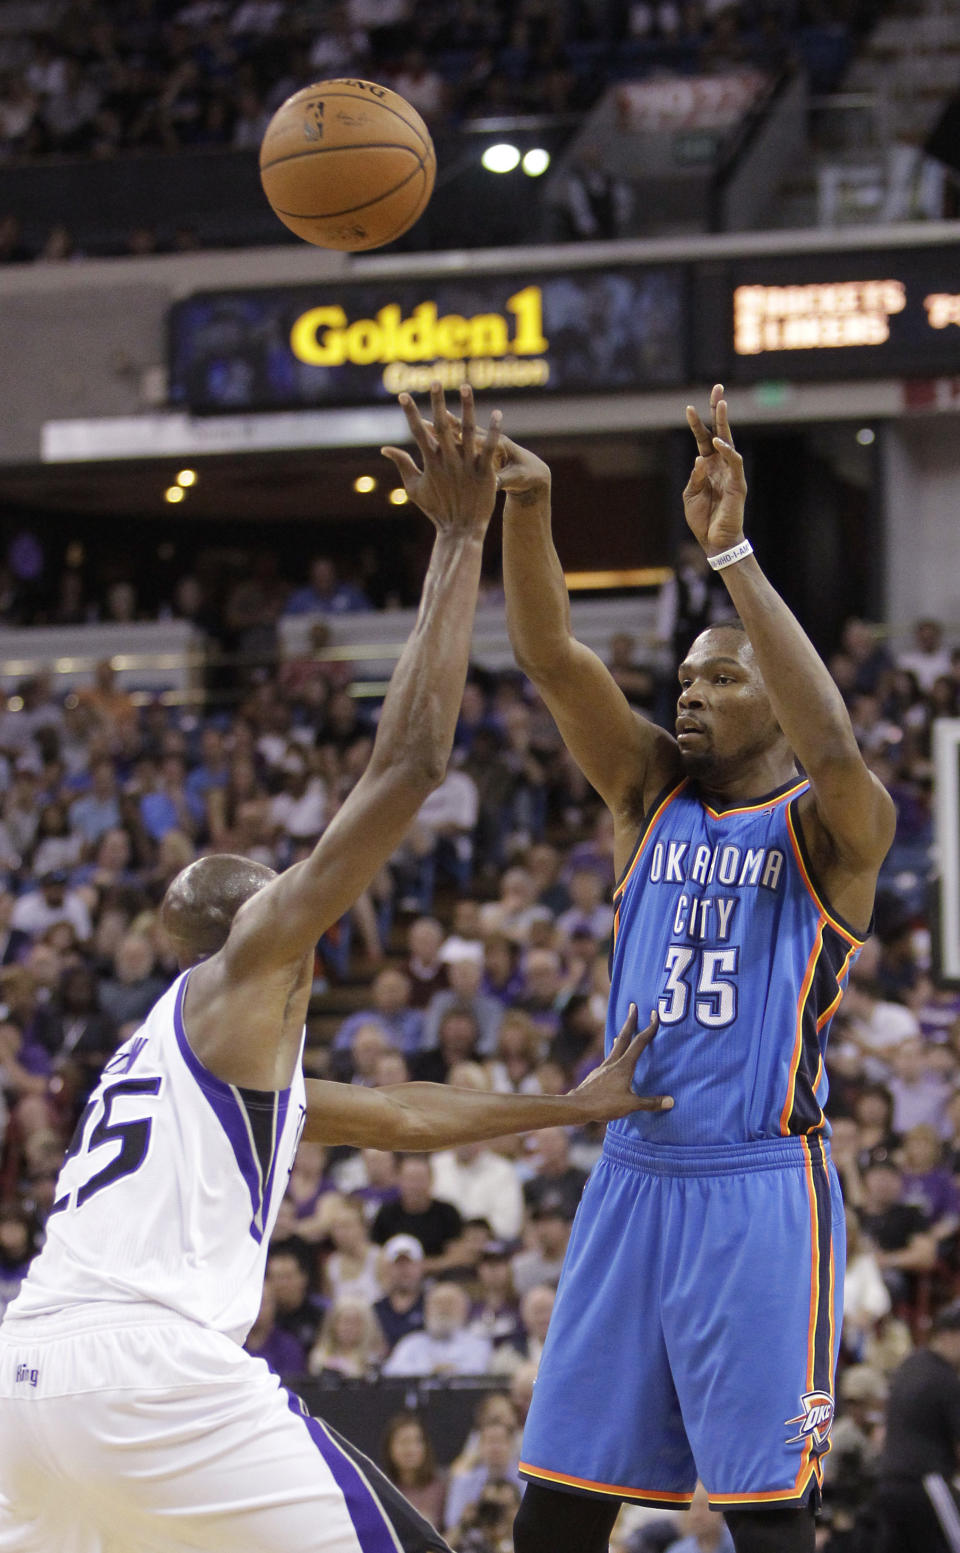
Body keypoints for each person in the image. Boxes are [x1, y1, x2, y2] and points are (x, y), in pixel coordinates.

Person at [0, 385, 670, 1553]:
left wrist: (572, 1103)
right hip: (148, 1369)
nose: (298, 902)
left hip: (26, 1370)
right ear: (253, 920)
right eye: (276, 885)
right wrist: (458, 538)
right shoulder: (251, 967)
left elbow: (401, 1113)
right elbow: (407, 765)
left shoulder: (179, 1052)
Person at [499, 385, 896, 1553]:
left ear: (776, 688)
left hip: (758, 1188)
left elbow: (831, 743)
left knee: (770, 1526)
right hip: (630, 1174)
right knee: (553, 1519)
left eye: (720, 676)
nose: (687, 689)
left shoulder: (833, 831)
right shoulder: (647, 798)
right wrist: (529, 507)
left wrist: (732, 554)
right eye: (684, 674)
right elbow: (548, 653)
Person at [873, 1298, 960, 1551]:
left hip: (889, 1481)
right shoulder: (945, 1379)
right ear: (948, 1336)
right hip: (925, 1482)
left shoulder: (909, 1366)